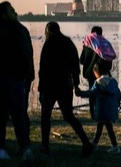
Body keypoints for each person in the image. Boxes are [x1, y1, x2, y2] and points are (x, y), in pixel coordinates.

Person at [37, 21, 94, 158]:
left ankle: (45, 145)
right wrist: (76, 85)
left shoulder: (48, 44)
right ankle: (86, 142)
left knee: (45, 116)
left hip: (50, 85)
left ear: (48, 31)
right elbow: (75, 67)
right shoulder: (68, 43)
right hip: (64, 84)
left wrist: (40, 89)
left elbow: (43, 69)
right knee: (69, 115)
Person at [0, 1, 34, 162]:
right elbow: (28, 55)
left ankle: (3, 149)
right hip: (16, 79)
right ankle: (25, 148)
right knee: (19, 115)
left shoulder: (17, 30)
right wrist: (29, 76)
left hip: (11, 78)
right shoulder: (20, 30)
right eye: (11, 10)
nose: (15, 12)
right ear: (4, 14)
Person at [76, 63, 121, 154]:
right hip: (112, 109)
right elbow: (119, 94)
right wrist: (117, 104)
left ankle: (115, 146)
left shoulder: (98, 82)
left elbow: (91, 93)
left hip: (103, 109)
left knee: (107, 128)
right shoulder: (113, 81)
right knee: (101, 127)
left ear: (97, 72)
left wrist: (81, 93)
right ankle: (95, 143)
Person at [79, 26, 113, 120]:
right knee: (103, 94)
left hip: (90, 74)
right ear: (101, 33)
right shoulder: (105, 44)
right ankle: (102, 113)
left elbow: (81, 60)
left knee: (92, 93)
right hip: (102, 74)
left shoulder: (87, 45)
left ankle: (92, 114)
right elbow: (109, 60)